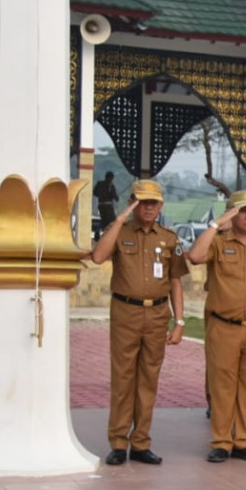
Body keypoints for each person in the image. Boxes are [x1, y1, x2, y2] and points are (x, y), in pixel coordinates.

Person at [89, 179, 188, 465]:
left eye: (153, 202)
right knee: (123, 378)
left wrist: (179, 321)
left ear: (161, 205)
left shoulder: (169, 238)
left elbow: (175, 282)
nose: (148, 207)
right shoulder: (121, 232)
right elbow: (97, 256)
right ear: (133, 203)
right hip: (126, 312)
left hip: (157, 315)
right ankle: (118, 442)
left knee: (148, 379)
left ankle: (141, 442)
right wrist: (119, 219)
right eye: (142, 202)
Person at [188, 191, 246, 463]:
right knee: (223, 386)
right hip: (224, 326)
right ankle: (221, 441)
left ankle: (243, 440)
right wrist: (217, 224)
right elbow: (194, 256)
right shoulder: (217, 243)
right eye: (243, 211)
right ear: (231, 214)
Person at [94, 171, 119, 236]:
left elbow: (94, 192)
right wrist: (115, 197)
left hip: (101, 205)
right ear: (111, 178)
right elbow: (115, 197)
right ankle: (110, 235)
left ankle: (98, 230)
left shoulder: (99, 184)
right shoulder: (110, 185)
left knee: (104, 220)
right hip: (108, 206)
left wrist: (101, 195)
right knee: (112, 221)